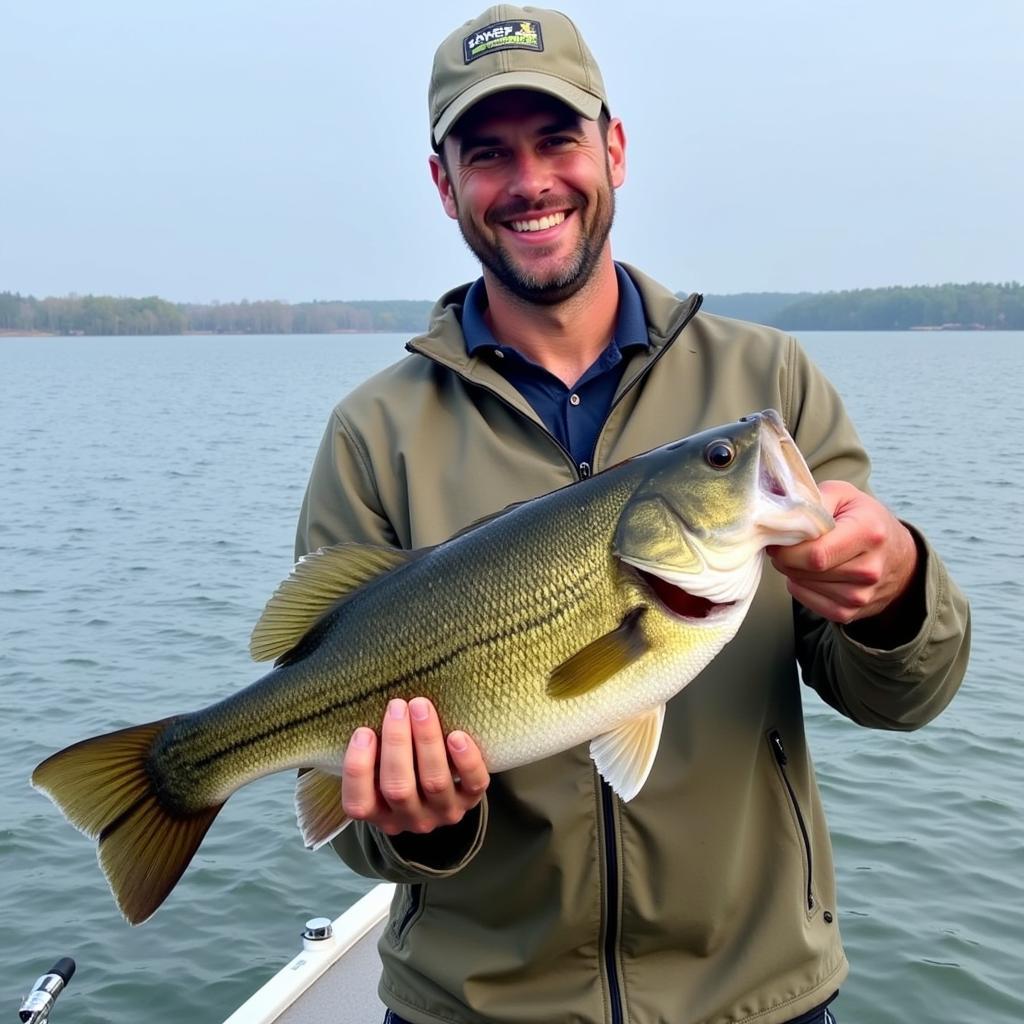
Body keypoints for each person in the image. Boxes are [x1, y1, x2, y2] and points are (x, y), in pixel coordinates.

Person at [295, 7, 970, 1023]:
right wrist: (418, 828)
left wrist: (895, 593)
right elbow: (344, 808)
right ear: (444, 185)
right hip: (474, 1008)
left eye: (557, 139)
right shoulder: (371, 432)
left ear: (613, 147)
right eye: (488, 154)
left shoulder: (767, 384)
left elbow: (901, 698)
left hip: (755, 995)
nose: (529, 182)